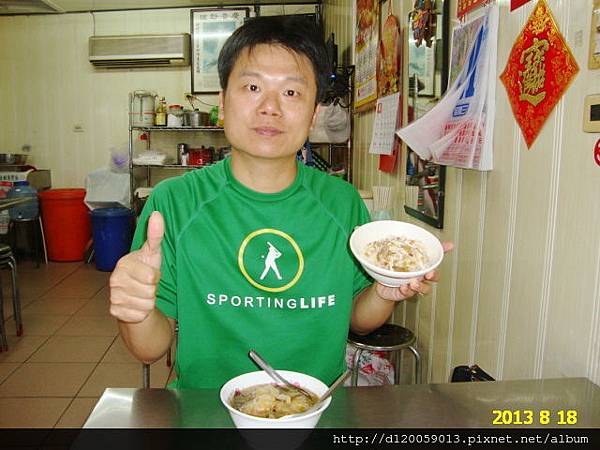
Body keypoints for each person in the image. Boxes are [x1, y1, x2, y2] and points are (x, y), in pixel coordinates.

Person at [109, 15, 452, 389]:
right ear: (223, 102)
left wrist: (384, 291)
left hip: (314, 407)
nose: (270, 107)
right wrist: (135, 310)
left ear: (314, 114)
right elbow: (149, 349)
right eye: (252, 87)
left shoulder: (342, 203)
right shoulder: (175, 203)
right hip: (204, 409)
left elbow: (358, 318)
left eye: (291, 93)